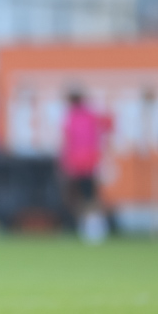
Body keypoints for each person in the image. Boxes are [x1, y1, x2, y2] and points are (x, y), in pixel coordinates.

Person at [60, 89, 110, 243]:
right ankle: (88, 226)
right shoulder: (88, 116)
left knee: (84, 197)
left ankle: (91, 226)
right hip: (86, 162)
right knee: (87, 197)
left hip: (82, 163)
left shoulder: (76, 117)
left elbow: (67, 142)